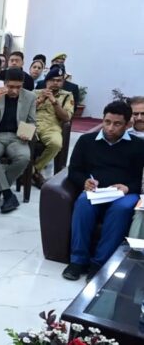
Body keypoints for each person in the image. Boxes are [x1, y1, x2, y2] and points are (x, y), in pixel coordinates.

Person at [62, 101, 144, 281]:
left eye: (117, 124)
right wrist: (84, 182)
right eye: (107, 122)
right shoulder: (86, 141)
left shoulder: (138, 146)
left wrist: (128, 187)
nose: (110, 128)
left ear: (127, 124)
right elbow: (74, 170)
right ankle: (78, 260)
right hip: (96, 191)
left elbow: (141, 179)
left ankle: (99, 263)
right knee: (84, 202)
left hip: (124, 193)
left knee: (121, 209)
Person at [0, 67, 37, 214]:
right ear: (5, 84)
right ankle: (8, 194)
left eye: (18, 87)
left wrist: (28, 132)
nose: (14, 90)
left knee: (24, 157)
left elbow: (32, 122)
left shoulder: (30, 97)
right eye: (10, 86)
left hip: (17, 137)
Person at [31, 66, 74, 187]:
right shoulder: (35, 92)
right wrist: (41, 100)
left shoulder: (67, 96)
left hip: (51, 126)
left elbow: (66, 118)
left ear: (63, 82)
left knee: (56, 144)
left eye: (59, 80)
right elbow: (24, 111)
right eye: (53, 80)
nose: (55, 83)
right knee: (20, 140)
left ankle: (33, 170)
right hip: (31, 123)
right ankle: (27, 172)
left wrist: (54, 102)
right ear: (47, 81)